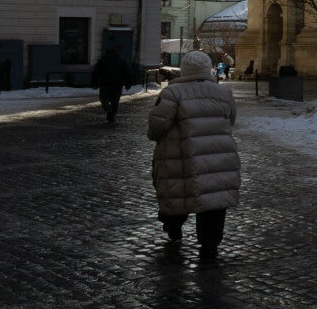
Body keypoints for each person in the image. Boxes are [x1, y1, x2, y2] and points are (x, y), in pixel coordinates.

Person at [148, 49, 241, 263]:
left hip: (179, 156)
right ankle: (209, 247)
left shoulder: (173, 93)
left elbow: (157, 127)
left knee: (177, 193)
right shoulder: (223, 93)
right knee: (213, 200)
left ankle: (173, 228)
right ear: (207, 69)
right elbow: (231, 119)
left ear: (184, 69)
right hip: (217, 156)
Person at [92, 47, 131, 124]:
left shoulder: (102, 62)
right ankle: (112, 115)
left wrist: (94, 84)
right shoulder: (122, 62)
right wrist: (128, 84)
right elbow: (127, 73)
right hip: (117, 85)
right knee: (115, 101)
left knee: (103, 99)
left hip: (105, 84)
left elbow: (95, 74)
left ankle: (108, 109)